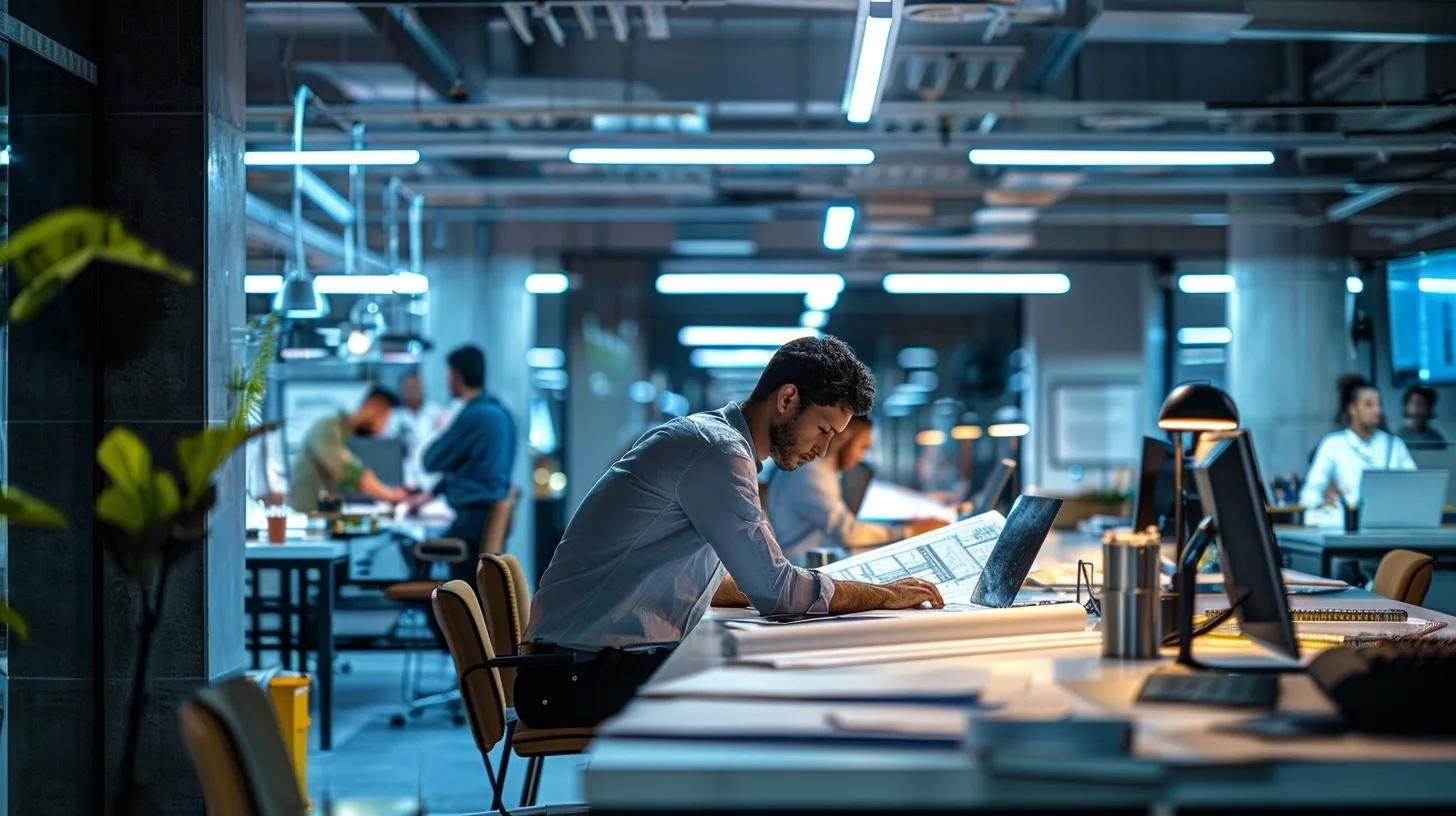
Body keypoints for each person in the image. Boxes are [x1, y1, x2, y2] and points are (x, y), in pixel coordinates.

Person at [516, 336, 945, 730]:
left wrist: (778, 587)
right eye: (823, 429)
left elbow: (713, 581)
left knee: (773, 670)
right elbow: (777, 592)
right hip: (572, 679)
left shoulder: (710, 441)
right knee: (786, 689)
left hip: (575, 666)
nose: (823, 449)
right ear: (788, 399)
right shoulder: (718, 451)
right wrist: (884, 595)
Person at [767, 415, 947, 560]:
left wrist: (902, 526)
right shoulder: (812, 472)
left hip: (814, 561)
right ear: (842, 439)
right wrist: (910, 531)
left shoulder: (822, 469)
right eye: (862, 447)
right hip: (804, 566)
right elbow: (847, 532)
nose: (861, 457)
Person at [410, 345, 519, 578]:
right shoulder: (500, 413)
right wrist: (432, 494)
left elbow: (431, 460)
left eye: (448, 374)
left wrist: (444, 429)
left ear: (456, 375)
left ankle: (430, 611)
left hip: (471, 526)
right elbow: (473, 467)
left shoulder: (475, 416)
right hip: (481, 523)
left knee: (410, 549)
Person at [1301, 374, 1416, 511]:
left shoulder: (1395, 445)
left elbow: (1414, 489)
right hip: (1346, 524)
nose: (1377, 410)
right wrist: (1324, 502)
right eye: (1369, 405)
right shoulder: (1333, 445)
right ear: (1352, 409)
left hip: (1390, 520)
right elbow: (1309, 495)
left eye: (1379, 405)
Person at [287, 388, 409, 511]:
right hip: (306, 518)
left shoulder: (347, 435)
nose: (383, 428)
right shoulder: (328, 428)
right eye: (385, 418)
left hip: (323, 515)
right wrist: (392, 496)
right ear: (373, 407)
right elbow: (351, 473)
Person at [396, 372, 451, 489]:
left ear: (422, 388)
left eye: (415, 387)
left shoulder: (437, 414)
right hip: (403, 480)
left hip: (431, 479)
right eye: (408, 388)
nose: (412, 392)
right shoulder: (394, 418)